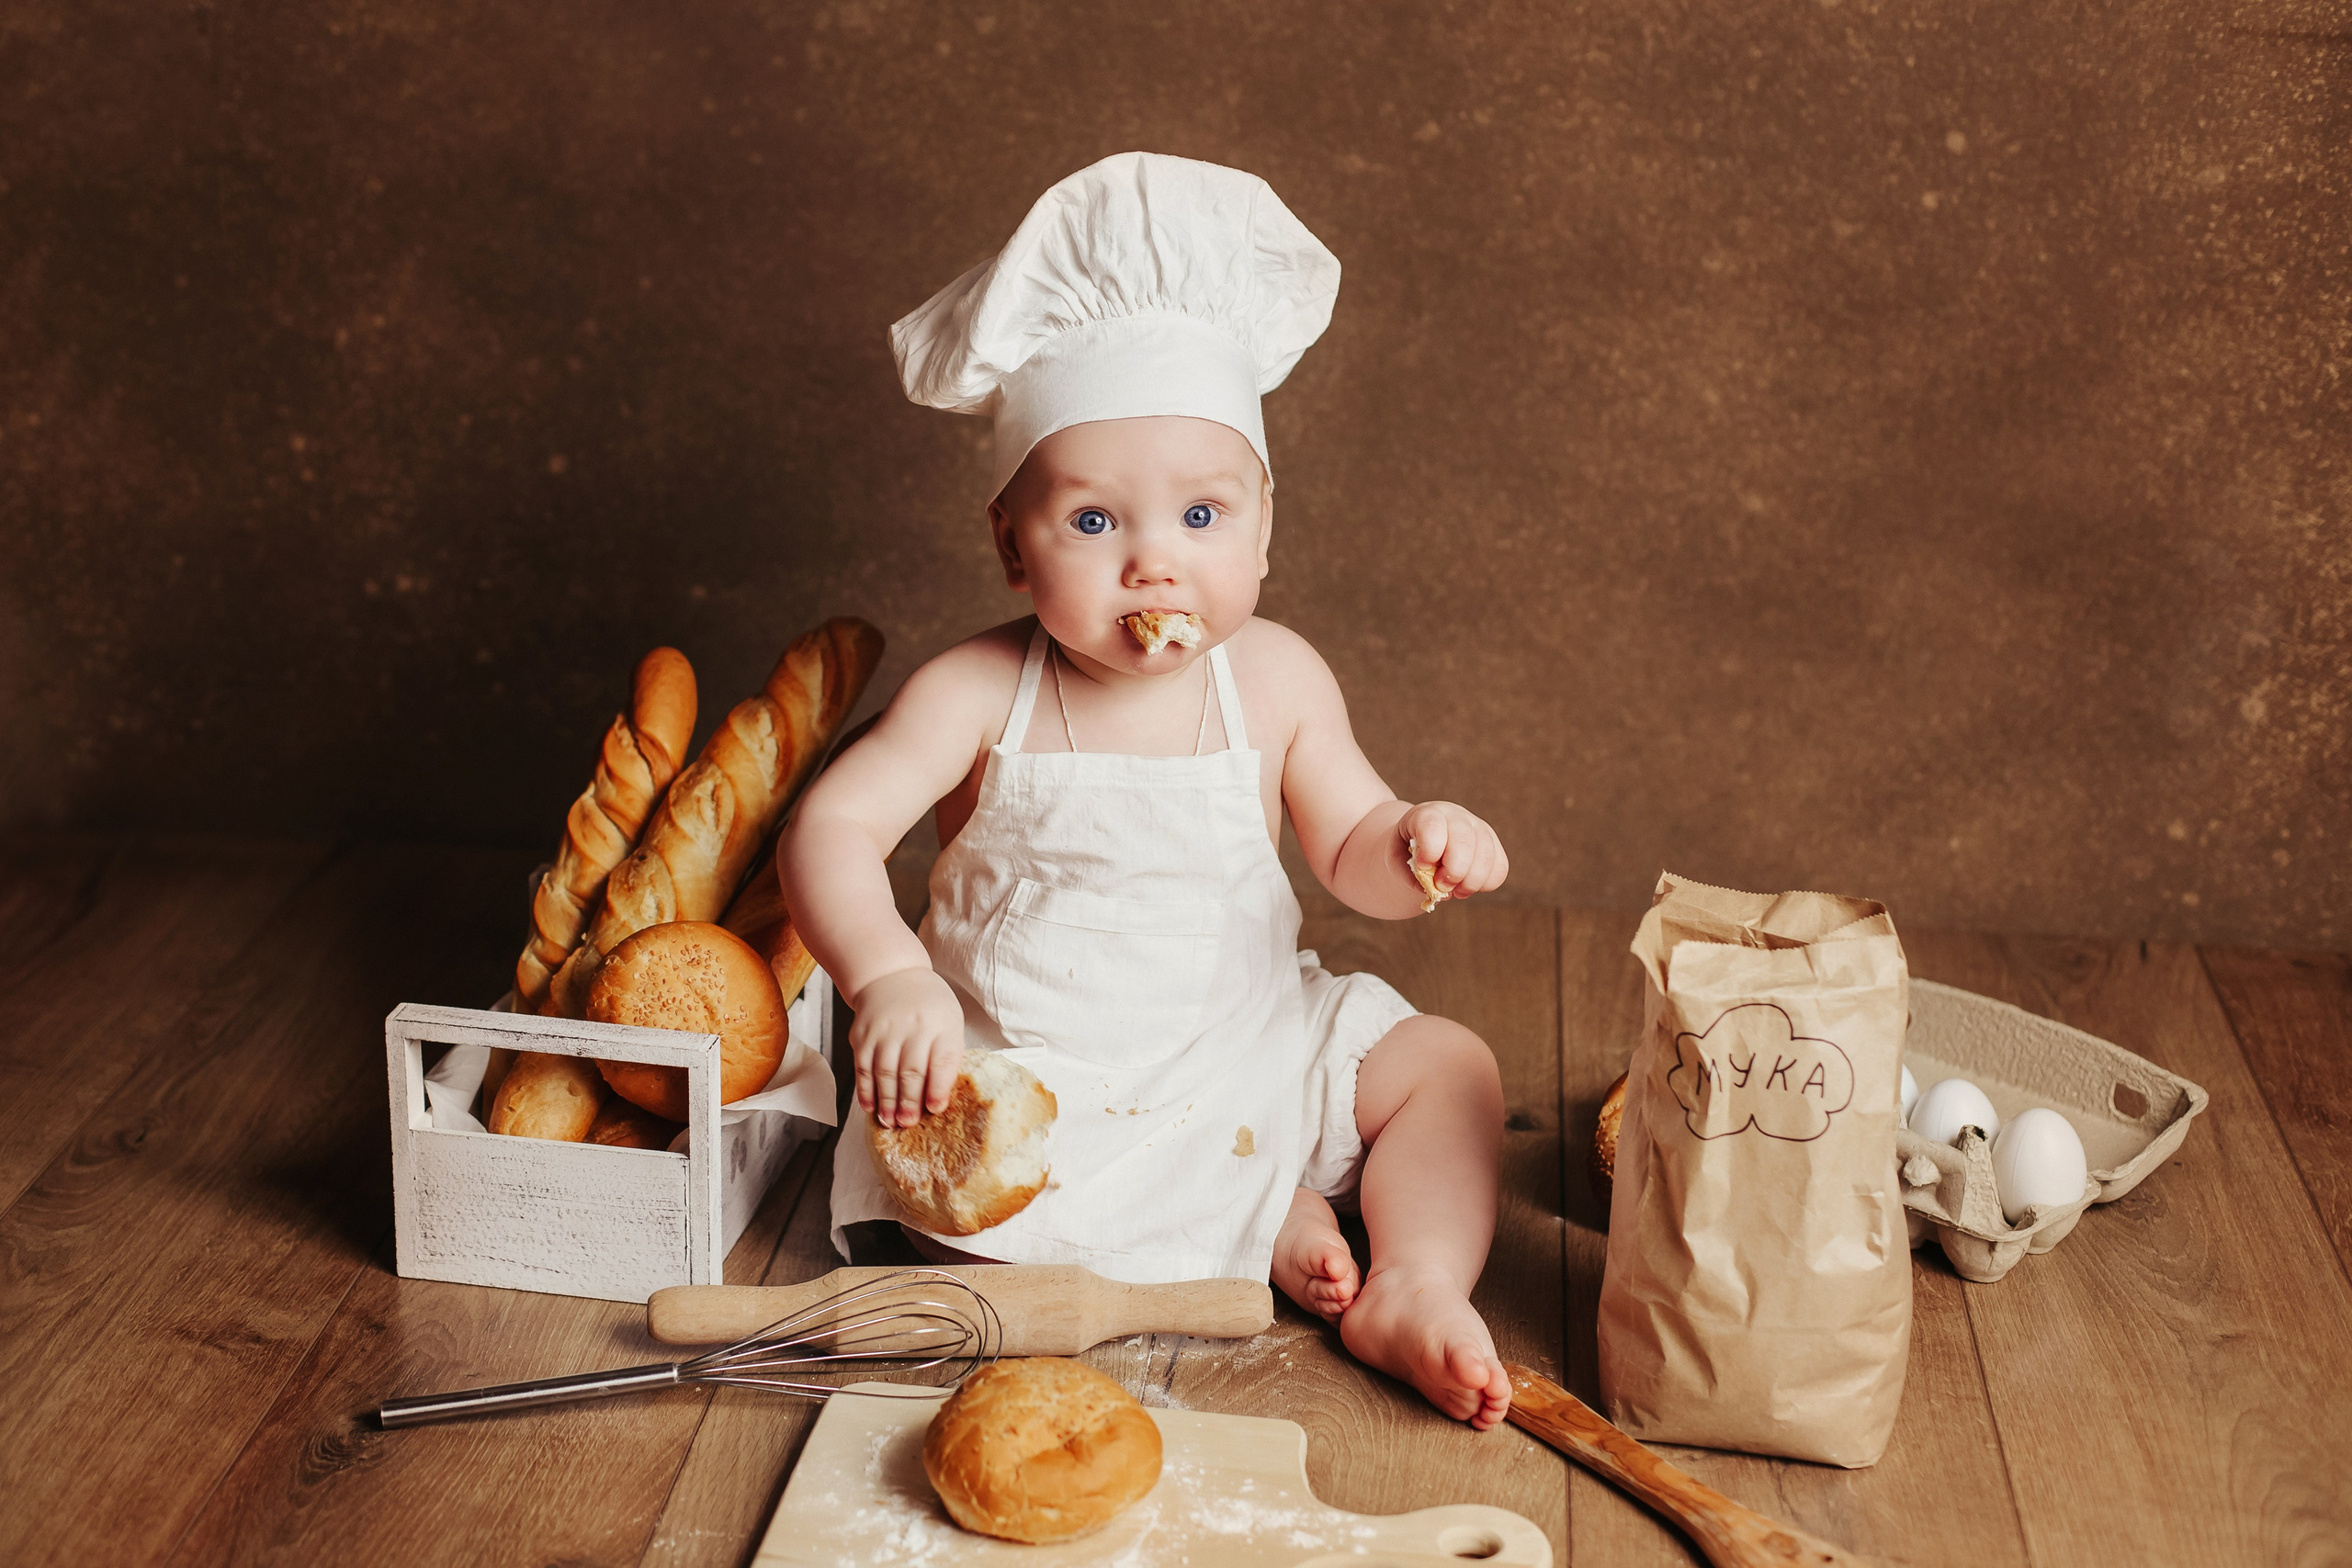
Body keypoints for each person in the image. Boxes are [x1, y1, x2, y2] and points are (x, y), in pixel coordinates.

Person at [784, 152, 1513, 1428]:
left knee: (1449, 1068)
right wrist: (889, 976)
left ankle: (1412, 1280)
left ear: (1266, 529)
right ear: (1012, 546)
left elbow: (1350, 844)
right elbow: (833, 826)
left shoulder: (1274, 678)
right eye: (1093, 524)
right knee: (967, 1232)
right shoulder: (977, 691)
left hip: (1246, 1047)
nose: (1153, 566)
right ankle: (1257, 1221)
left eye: (1201, 517)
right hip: (1045, 1084)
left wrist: (1416, 842)